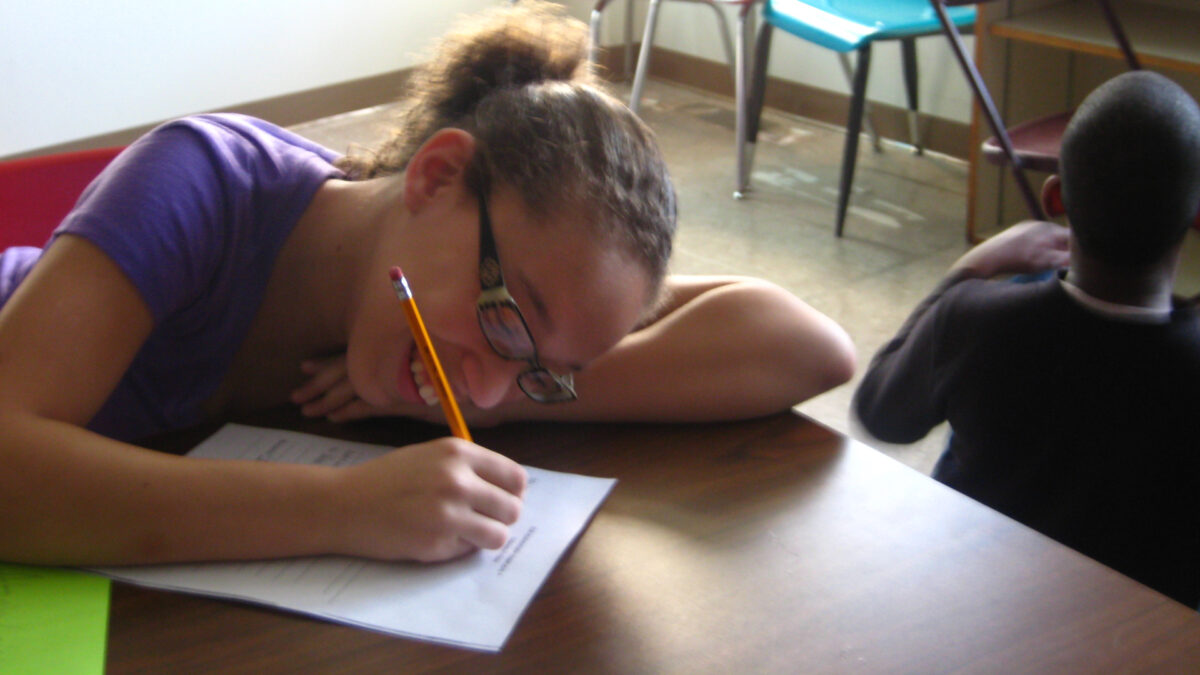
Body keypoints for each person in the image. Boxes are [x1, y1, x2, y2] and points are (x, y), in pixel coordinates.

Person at [0, 2, 854, 567]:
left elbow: (804, 346)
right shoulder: (202, 180)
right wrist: (343, 507)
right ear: (439, 176)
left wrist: (519, 390)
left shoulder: (466, 320)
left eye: (542, 366)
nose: (476, 387)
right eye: (510, 323)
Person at [853, 71, 1200, 608]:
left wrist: (965, 273)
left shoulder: (976, 320)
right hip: (1142, 641)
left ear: (1055, 197)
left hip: (981, 620)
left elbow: (883, 412)